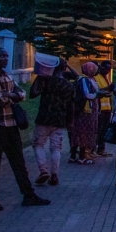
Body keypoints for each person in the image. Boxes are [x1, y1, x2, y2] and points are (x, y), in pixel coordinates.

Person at [0, 47, 50, 210]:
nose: (5, 59)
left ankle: (28, 195)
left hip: (12, 126)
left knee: (19, 163)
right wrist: (12, 96)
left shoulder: (7, 76)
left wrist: (8, 94)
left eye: (6, 56)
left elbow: (22, 94)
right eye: (1, 56)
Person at [29, 58, 74, 186]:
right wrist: (70, 121)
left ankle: (43, 170)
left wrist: (39, 77)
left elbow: (32, 94)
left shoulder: (46, 80)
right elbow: (71, 105)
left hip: (44, 117)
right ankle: (54, 175)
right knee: (56, 148)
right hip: (60, 119)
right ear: (64, 69)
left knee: (38, 144)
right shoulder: (68, 85)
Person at [69, 62, 100, 164]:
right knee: (83, 133)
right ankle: (82, 157)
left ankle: (74, 156)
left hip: (86, 110)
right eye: (94, 69)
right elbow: (87, 94)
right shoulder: (84, 80)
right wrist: (97, 94)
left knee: (78, 132)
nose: (96, 71)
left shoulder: (86, 79)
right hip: (85, 111)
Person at [94, 60, 114, 156]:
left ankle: (101, 149)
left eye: (109, 69)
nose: (107, 71)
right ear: (100, 67)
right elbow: (96, 91)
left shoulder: (106, 78)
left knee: (104, 130)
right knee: (98, 130)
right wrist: (108, 88)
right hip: (100, 108)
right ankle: (95, 148)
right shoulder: (96, 78)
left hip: (107, 108)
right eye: (106, 68)